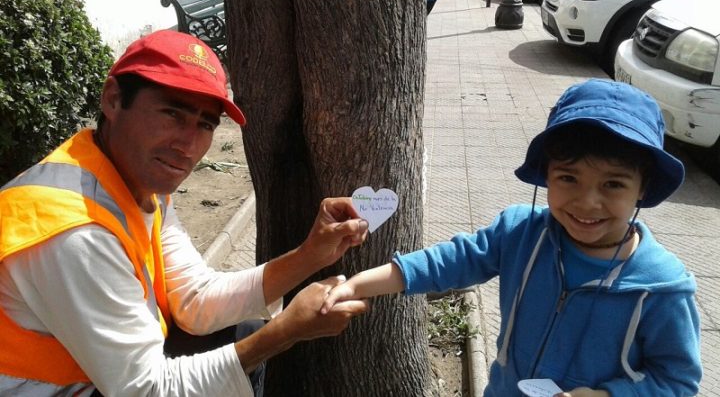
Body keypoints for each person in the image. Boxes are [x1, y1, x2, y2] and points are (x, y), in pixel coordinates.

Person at [0, 29, 370, 396]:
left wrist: (310, 255)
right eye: (173, 113)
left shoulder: (136, 184)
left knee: (243, 335)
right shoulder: (74, 232)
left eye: (205, 124)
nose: (188, 146)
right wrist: (285, 331)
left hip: (104, 375)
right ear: (113, 99)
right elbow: (146, 389)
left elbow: (194, 299)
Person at [322, 79, 702, 397]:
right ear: (546, 175)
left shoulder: (662, 287)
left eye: (613, 184)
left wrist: (606, 395)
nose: (588, 202)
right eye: (568, 178)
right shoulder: (521, 233)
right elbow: (449, 261)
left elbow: (677, 381)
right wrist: (357, 284)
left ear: (643, 188)